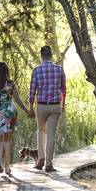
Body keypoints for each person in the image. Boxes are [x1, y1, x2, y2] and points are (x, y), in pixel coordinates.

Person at [0, 62, 31, 176]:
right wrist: (27, 110)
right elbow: (17, 100)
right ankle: (7, 167)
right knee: (8, 141)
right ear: (6, 72)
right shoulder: (11, 84)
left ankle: (0, 159)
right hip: (10, 113)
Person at [28, 45, 66, 173]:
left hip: (41, 106)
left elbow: (32, 90)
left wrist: (30, 107)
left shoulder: (36, 70)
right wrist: (63, 104)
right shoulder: (59, 69)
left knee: (41, 131)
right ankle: (49, 164)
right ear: (51, 56)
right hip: (55, 106)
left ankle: (41, 160)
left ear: (41, 56)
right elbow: (63, 89)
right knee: (51, 134)